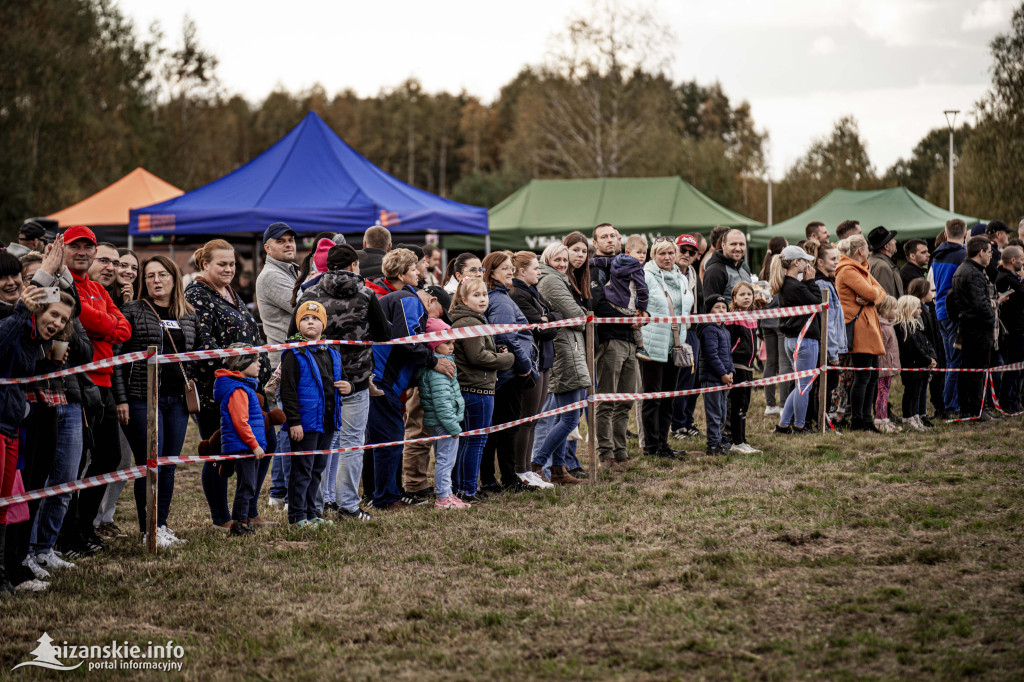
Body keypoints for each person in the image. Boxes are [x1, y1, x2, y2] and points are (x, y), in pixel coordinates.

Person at [295, 244, 389, 522]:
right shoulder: (366, 293)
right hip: (356, 378)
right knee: (351, 443)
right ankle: (348, 504)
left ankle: (317, 503)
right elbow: (383, 334)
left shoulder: (309, 293)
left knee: (322, 442)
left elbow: (293, 334)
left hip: (317, 378)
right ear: (352, 266)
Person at [186, 239, 272, 530]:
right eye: (221, 264)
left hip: (249, 387)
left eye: (232, 263)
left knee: (264, 442)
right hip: (218, 390)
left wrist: (259, 372)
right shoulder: (197, 295)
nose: (229, 269)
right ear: (204, 264)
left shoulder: (231, 292)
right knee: (220, 451)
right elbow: (204, 345)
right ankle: (221, 517)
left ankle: (248, 509)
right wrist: (241, 373)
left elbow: (250, 338)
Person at [113, 256, 197, 548]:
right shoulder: (132, 311)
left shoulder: (187, 314)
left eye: (162, 275)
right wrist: (120, 398)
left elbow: (195, 355)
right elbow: (117, 360)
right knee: (150, 464)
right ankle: (148, 529)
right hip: (141, 399)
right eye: (149, 276)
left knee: (169, 465)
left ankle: (161, 525)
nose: (156, 281)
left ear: (174, 279)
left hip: (176, 401)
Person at [60, 227, 132, 552]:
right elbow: (83, 319)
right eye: (76, 247)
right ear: (63, 249)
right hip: (78, 383)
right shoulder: (65, 285)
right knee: (75, 462)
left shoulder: (98, 290)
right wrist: (105, 325)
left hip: (103, 385)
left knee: (109, 457)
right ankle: (67, 534)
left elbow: (124, 330)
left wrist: (102, 325)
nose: (83, 253)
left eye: (88, 248)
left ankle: (84, 527)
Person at [0, 285, 74, 593]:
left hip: (16, 421)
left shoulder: (35, 340)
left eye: (62, 319)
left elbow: (24, 366)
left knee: (14, 499)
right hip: (12, 421)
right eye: (53, 314)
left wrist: (48, 360)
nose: (57, 323)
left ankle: (10, 569)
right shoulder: (15, 325)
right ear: (37, 312)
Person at [369, 256, 454, 510]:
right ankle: (386, 498)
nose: (418, 273)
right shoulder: (408, 300)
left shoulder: (399, 298)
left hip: (385, 378)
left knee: (389, 437)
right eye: (413, 269)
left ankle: (388, 493)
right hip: (384, 379)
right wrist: (433, 361)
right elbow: (406, 340)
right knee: (390, 438)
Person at [281, 301, 348, 527]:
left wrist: (350, 386)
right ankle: (297, 515)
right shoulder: (294, 353)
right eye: (305, 318)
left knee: (317, 469)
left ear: (324, 324)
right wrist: (294, 422)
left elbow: (341, 380)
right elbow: (287, 390)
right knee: (303, 470)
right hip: (305, 423)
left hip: (327, 421)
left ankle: (312, 513)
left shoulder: (331, 352)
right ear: (298, 324)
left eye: (316, 318)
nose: (311, 322)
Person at [449, 279, 516, 502]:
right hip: (476, 388)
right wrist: (506, 358)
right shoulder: (469, 322)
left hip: (475, 386)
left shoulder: (475, 320)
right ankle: (467, 489)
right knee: (476, 440)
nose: (483, 299)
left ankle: (461, 486)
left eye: (484, 294)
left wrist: (495, 349)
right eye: (476, 295)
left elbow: (479, 350)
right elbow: (477, 357)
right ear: (463, 299)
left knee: (468, 440)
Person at [532, 245, 592, 483]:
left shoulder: (558, 279)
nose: (562, 264)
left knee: (562, 416)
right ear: (547, 259)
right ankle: (537, 463)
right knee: (569, 417)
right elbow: (579, 318)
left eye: (565, 260)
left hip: (571, 349)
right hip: (566, 351)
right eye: (557, 259)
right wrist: (581, 317)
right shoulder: (551, 282)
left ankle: (558, 469)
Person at [479, 251, 536, 492]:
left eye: (510, 267)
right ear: (491, 273)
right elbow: (505, 336)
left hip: (505, 371)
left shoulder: (500, 296)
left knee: (498, 429)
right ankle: (508, 479)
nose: (510, 271)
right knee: (505, 429)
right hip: (510, 373)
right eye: (504, 268)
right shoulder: (500, 301)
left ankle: (494, 479)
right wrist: (524, 366)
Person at [255, 222, 299, 509]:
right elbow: (304, 306)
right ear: (267, 247)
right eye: (281, 241)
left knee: (292, 425)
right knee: (288, 426)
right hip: (284, 363)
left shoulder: (291, 271)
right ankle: (280, 493)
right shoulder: (271, 275)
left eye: (291, 239)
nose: (288, 244)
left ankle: (282, 491)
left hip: (295, 358)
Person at [589, 224, 640, 467]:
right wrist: (629, 319)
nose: (609, 240)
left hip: (632, 340)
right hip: (610, 339)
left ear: (620, 240)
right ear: (595, 243)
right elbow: (598, 304)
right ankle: (605, 454)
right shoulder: (594, 269)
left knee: (626, 400)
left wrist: (643, 311)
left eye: (613, 236)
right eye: (603, 237)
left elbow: (639, 294)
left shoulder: (629, 265)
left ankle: (621, 452)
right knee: (607, 400)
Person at [509, 251, 560, 489]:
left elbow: (556, 317)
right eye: (536, 268)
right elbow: (540, 329)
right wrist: (547, 320)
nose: (540, 272)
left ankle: (527, 468)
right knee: (527, 419)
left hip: (545, 359)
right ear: (522, 271)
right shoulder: (518, 294)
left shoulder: (533, 292)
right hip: (534, 360)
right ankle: (521, 469)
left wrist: (547, 318)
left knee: (534, 418)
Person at [638, 238, 690, 458]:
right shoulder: (646, 276)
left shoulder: (681, 277)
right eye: (662, 254)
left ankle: (663, 443)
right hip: (652, 345)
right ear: (653, 255)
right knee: (653, 398)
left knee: (669, 397)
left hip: (675, 345)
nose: (667, 257)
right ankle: (651, 447)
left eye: (670, 253)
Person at [213, 348, 267, 537]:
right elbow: (240, 421)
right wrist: (254, 445)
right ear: (242, 364)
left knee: (248, 484)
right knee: (247, 485)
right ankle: (239, 524)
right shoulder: (238, 390)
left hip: (245, 446)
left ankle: (241, 521)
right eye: (255, 361)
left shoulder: (244, 387)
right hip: (244, 447)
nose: (259, 364)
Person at [835, 235, 887, 432]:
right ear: (859, 250)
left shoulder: (860, 268)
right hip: (859, 328)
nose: (869, 251)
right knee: (863, 377)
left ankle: (867, 418)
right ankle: (858, 420)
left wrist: (873, 297)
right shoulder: (848, 270)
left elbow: (879, 291)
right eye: (867, 248)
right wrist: (873, 296)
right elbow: (873, 293)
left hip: (867, 326)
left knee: (871, 376)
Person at [415, 318, 468, 509]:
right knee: (446, 461)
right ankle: (443, 498)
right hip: (445, 422)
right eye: (446, 343)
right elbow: (442, 402)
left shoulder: (444, 364)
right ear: (434, 345)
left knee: (444, 459)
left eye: (453, 342)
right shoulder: (438, 372)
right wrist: (453, 426)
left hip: (444, 421)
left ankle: (447, 493)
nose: (451, 347)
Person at [770, 246, 822, 434]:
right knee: (804, 386)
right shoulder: (796, 285)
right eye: (804, 261)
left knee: (801, 384)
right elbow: (817, 303)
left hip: (792, 340)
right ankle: (800, 425)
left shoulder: (786, 284)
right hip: (804, 339)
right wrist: (811, 281)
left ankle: (783, 425)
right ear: (795, 263)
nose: (808, 264)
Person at [948, 236, 998, 420]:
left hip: (968, 326)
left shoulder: (963, 269)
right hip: (977, 329)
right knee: (977, 370)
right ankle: (978, 410)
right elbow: (980, 305)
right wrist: (991, 314)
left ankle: (968, 408)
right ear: (980, 252)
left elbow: (951, 300)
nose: (991, 256)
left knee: (968, 369)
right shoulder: (973, 273)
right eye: (989, 252)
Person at [929, 218, 967, 414]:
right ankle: (949, 406)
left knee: (950, 360)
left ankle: (949, 402)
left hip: (941, 311)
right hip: (953, 313)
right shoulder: (962, 255)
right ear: (966, 235)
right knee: (954, 361)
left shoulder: (937, 255)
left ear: (945, 235)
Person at [806, 240, 846, 427]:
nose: (836, 262)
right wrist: (832, 352)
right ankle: (819, 420)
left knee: (824, 386)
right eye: (832, 259)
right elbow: (828, 323)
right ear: (819, 262)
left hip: (828, 346)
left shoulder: (829, 282)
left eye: (837, 258)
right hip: (826, 347)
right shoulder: (823, 284)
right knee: (823, 387)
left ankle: (819, 419)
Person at [590, 235, 650, 358]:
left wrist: (588, 262)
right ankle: (641, 348)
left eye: (644, 253)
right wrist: (643, 309)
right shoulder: (637, 269)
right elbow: (643, 290)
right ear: (627, 252)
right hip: (626, 308)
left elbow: (601, 261)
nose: (642, 256)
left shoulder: (616, 260)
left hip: (611, 300)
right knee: (636, 324)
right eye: (639, 252)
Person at [671, 234, 706, 439]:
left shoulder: (693, 273)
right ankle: (677, 425)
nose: (686, 255)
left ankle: (687, 420)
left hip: (693, 330)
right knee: (681, 380)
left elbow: (699, 304)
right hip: (675, 331)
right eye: (682, 250)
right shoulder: (668, 273)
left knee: (695, 381)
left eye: (691, 252)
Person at [725, 281, 762, 454]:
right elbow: (729, 343)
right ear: (734, 298)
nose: (746, 297)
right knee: (738, 403)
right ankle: (736, 441)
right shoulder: (733, 317)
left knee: (745, 404)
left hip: (748, 366)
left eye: (749, 294)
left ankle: (742, 439)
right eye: (742, 294)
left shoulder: (752, 316)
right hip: (737, 364)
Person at [758, 236, 790, 417]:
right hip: (779, 320)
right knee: (784, 363)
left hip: (766, 321)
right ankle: (784, 403)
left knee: (770, 362)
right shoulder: (782, 267)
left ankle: (770, 404)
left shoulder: (764, 269)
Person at [895, 295, 936, 431]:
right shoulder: (903, 327)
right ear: (908, 309)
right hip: (911, 365)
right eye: (917, 308)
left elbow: (926, 343)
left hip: (920, 365)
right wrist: (927, 360)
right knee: (910, 392)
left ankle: (916, 416)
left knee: (917, 392)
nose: (920, 310)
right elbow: (914, 348)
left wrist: (931, 358)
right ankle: (908, 418)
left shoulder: (916, 325)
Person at [907, 277, 945, 422]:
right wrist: (929, 356)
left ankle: (921, 414)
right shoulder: (920, 313)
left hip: (930, 353)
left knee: (923, 386)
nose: (932, 294)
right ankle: (918, 414)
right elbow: (923, 338)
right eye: (930, 290)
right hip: (922, 356)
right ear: (923, 292)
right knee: (918, 388)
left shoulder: (928, 309)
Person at [699, 295, 734, 455]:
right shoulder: (709, 329)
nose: (721, 310)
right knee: (714, 413)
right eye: (717, 307)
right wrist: (722, 374)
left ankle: (719, 441)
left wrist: (731, 371)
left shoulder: (725, 330)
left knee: (722, 412)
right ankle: (712, 445)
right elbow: (711, 355)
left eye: (724, 307)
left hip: (723, 378)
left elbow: (728, 354)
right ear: (709, 310)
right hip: (712, 378)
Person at [995, 246, 1024, 412]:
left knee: (1017, 370)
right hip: (1012, 331)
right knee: (1013, 369)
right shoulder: (1006, 279)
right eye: (1021, 259)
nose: (1023, 262)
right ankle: (1009, 403)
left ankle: (1014, 401)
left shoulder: (1011, 277)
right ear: (1013, 260)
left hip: (1016, 329)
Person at [873, 296, 901, 433]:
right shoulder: (882, 327)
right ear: (885, 309)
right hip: (884, 366)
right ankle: (880, 419)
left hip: (888, 366)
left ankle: (884, 418)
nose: (897, 311)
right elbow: (881, 347)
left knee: (886, 393)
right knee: (882, 394)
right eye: (894, 308)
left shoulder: (888, 324)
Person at [703, 229, 753, 304]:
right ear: (723, 245)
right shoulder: (715, 271)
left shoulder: (744, 268)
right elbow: (711, 308)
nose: (738, 248)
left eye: (742, 244)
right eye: (733, 244)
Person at [867, 226, 904, 298]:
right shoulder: (882, 266)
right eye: (892, 239)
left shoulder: (875, 261)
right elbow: (886, 300)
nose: (895, 241)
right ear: (886, 246)